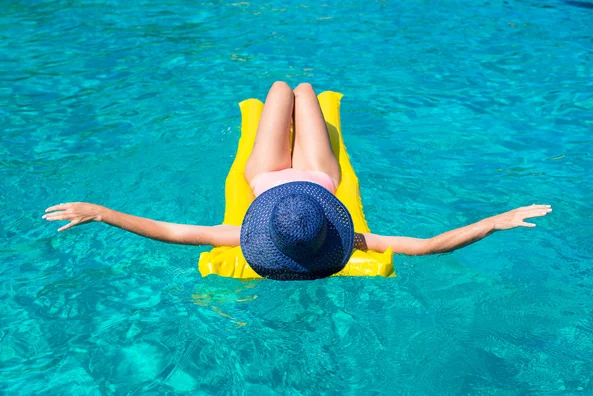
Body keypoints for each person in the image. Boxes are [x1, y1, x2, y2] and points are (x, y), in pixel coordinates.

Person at [43, 82, 552, 280]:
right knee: (303, 90)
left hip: (283, 178)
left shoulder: (252, 234)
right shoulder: (351, 240)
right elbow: (429, 245)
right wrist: (494, 221)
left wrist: (103, 213)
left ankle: (290, 98)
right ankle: (299, 97)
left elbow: (174, 232)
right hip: (312, 178)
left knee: (286, 91)